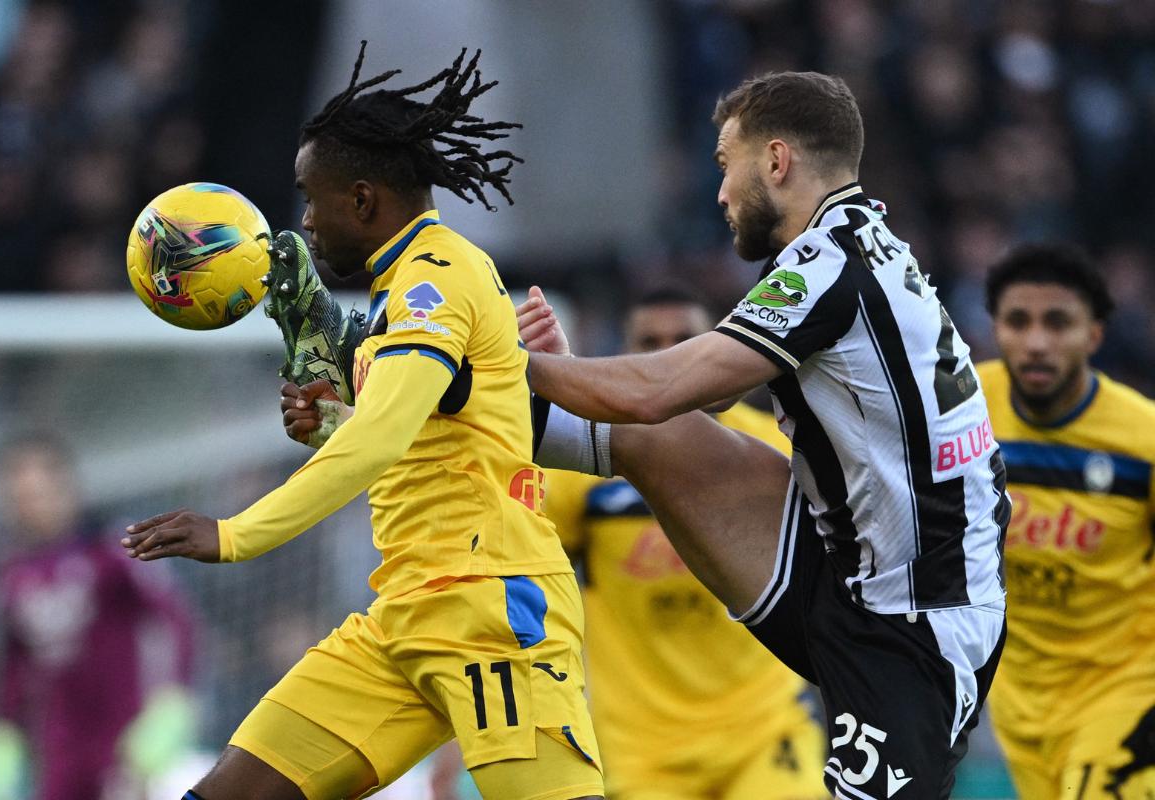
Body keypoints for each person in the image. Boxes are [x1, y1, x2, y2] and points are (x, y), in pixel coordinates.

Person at [122, 44, 604, 800]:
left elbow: (380, 441)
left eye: (311, 200)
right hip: (403, 616)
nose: (305, 222)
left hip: (489, 612)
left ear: (365, 199)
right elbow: (417, 430)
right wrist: (334, 418)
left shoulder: (435, 282)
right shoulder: (395, 294)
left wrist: (233, 533)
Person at [516, 71, 1010, 799]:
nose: (719, 193)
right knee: (657, 441)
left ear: (776, 162)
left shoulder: (826, 267)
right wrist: (554, 378)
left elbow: (660, 389)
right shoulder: (862, 242)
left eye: (726, 165)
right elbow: (688, 405)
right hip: (849, 571)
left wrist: (507, 360)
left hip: (916, 628)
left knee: (646, 418)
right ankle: (384, 392)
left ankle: (427, 374)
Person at [542, 287, 827, 799]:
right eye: (650, 342)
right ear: (624, 355)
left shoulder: (775, 449)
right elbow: (516, 589)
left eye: (684, 340)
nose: (668, 355)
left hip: (763, 730)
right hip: (639, 749)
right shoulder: (582, 465)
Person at [979, 244, 1155, 799]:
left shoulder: (1142, 441)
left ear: (1093, 335)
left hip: (1126, 688)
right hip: (1021, 699)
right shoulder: (959, 411)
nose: (1036, 343)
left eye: (1058, 323)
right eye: (1018, 321)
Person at [0, 431, 196, 800]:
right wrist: (2, 732)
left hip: (127, 743)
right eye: (18, 498)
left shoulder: (113, 550)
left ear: (66, 488)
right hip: (61, 751)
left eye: (38, 493)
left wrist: (172, 702)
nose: (29, 506)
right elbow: (15, 663)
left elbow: (174, 622)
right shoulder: (10, 574)